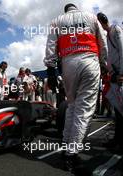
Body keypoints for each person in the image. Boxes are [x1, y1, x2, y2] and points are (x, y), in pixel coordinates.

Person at [44, 3, 108, 171]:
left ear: (66, 10)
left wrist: (50, 70)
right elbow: (102, 42)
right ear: (75, 8)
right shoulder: (90, 17)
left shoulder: (57, 21)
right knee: (84, 109)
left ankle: (66, 146)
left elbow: (50, 46)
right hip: (89, 61)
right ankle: (71, 154)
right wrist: (104, 63)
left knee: (72, 107)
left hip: (68, 64)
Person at [97, 12, 123, 152]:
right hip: (114, 76)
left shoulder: (116, 29)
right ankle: (117, 140)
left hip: (120, 76)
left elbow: (122, 50)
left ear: (102, 21)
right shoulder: (107, 36)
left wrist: (122, 73)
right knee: (118, 112)